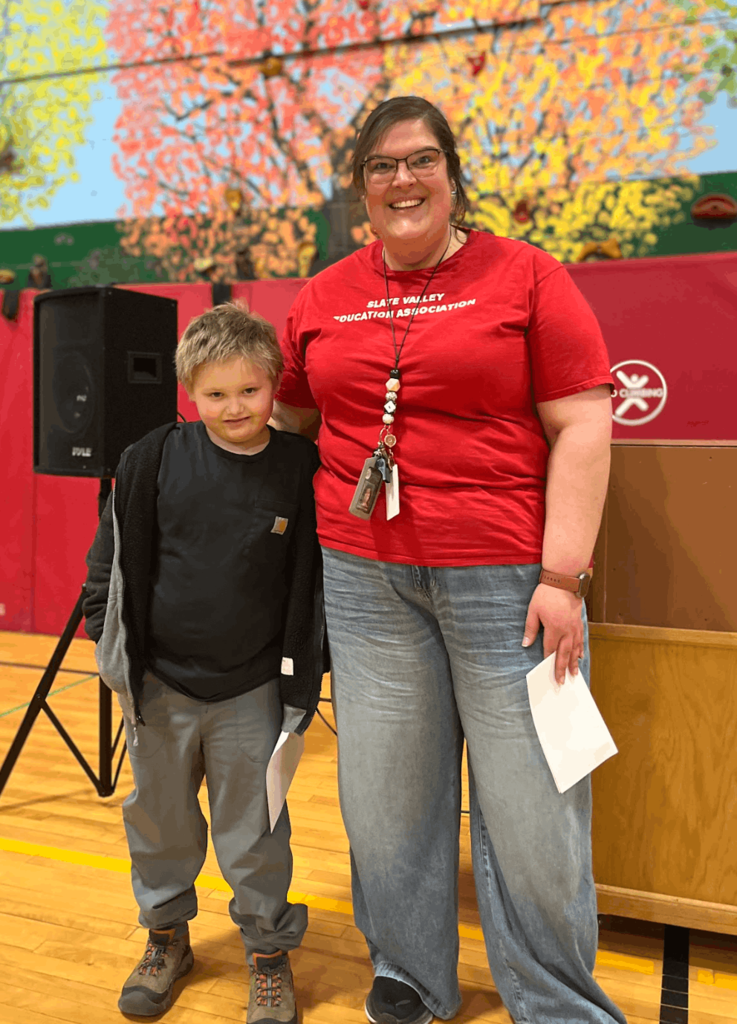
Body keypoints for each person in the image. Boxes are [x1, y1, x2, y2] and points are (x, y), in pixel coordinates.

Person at [272, 96, 626, 1024]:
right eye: (382, 167)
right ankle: (409, 972)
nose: (403, 181)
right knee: (385, 795)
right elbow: (295, 416)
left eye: (420, 161)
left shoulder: (527, 276)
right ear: (360, 188)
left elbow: (584, 424)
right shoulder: (322, 294)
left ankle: (554, 999)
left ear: (452, 174)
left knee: (532, 806)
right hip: (364, 579)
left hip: (507, 579)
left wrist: (562, 576)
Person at [83, 303, 324, 1023]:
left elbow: (314, 581)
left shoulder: (299, 468)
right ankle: (165, 938)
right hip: (160, 684)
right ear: (191, 394)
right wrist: (111, 644)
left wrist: (308, 668)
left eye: (249, 391)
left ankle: (268, 953)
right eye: (216, 395)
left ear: (273, 385)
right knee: (159, 823)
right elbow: (110, 568)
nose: (234, 407)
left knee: (254, 833)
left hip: (252, 688)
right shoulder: (152, 457)